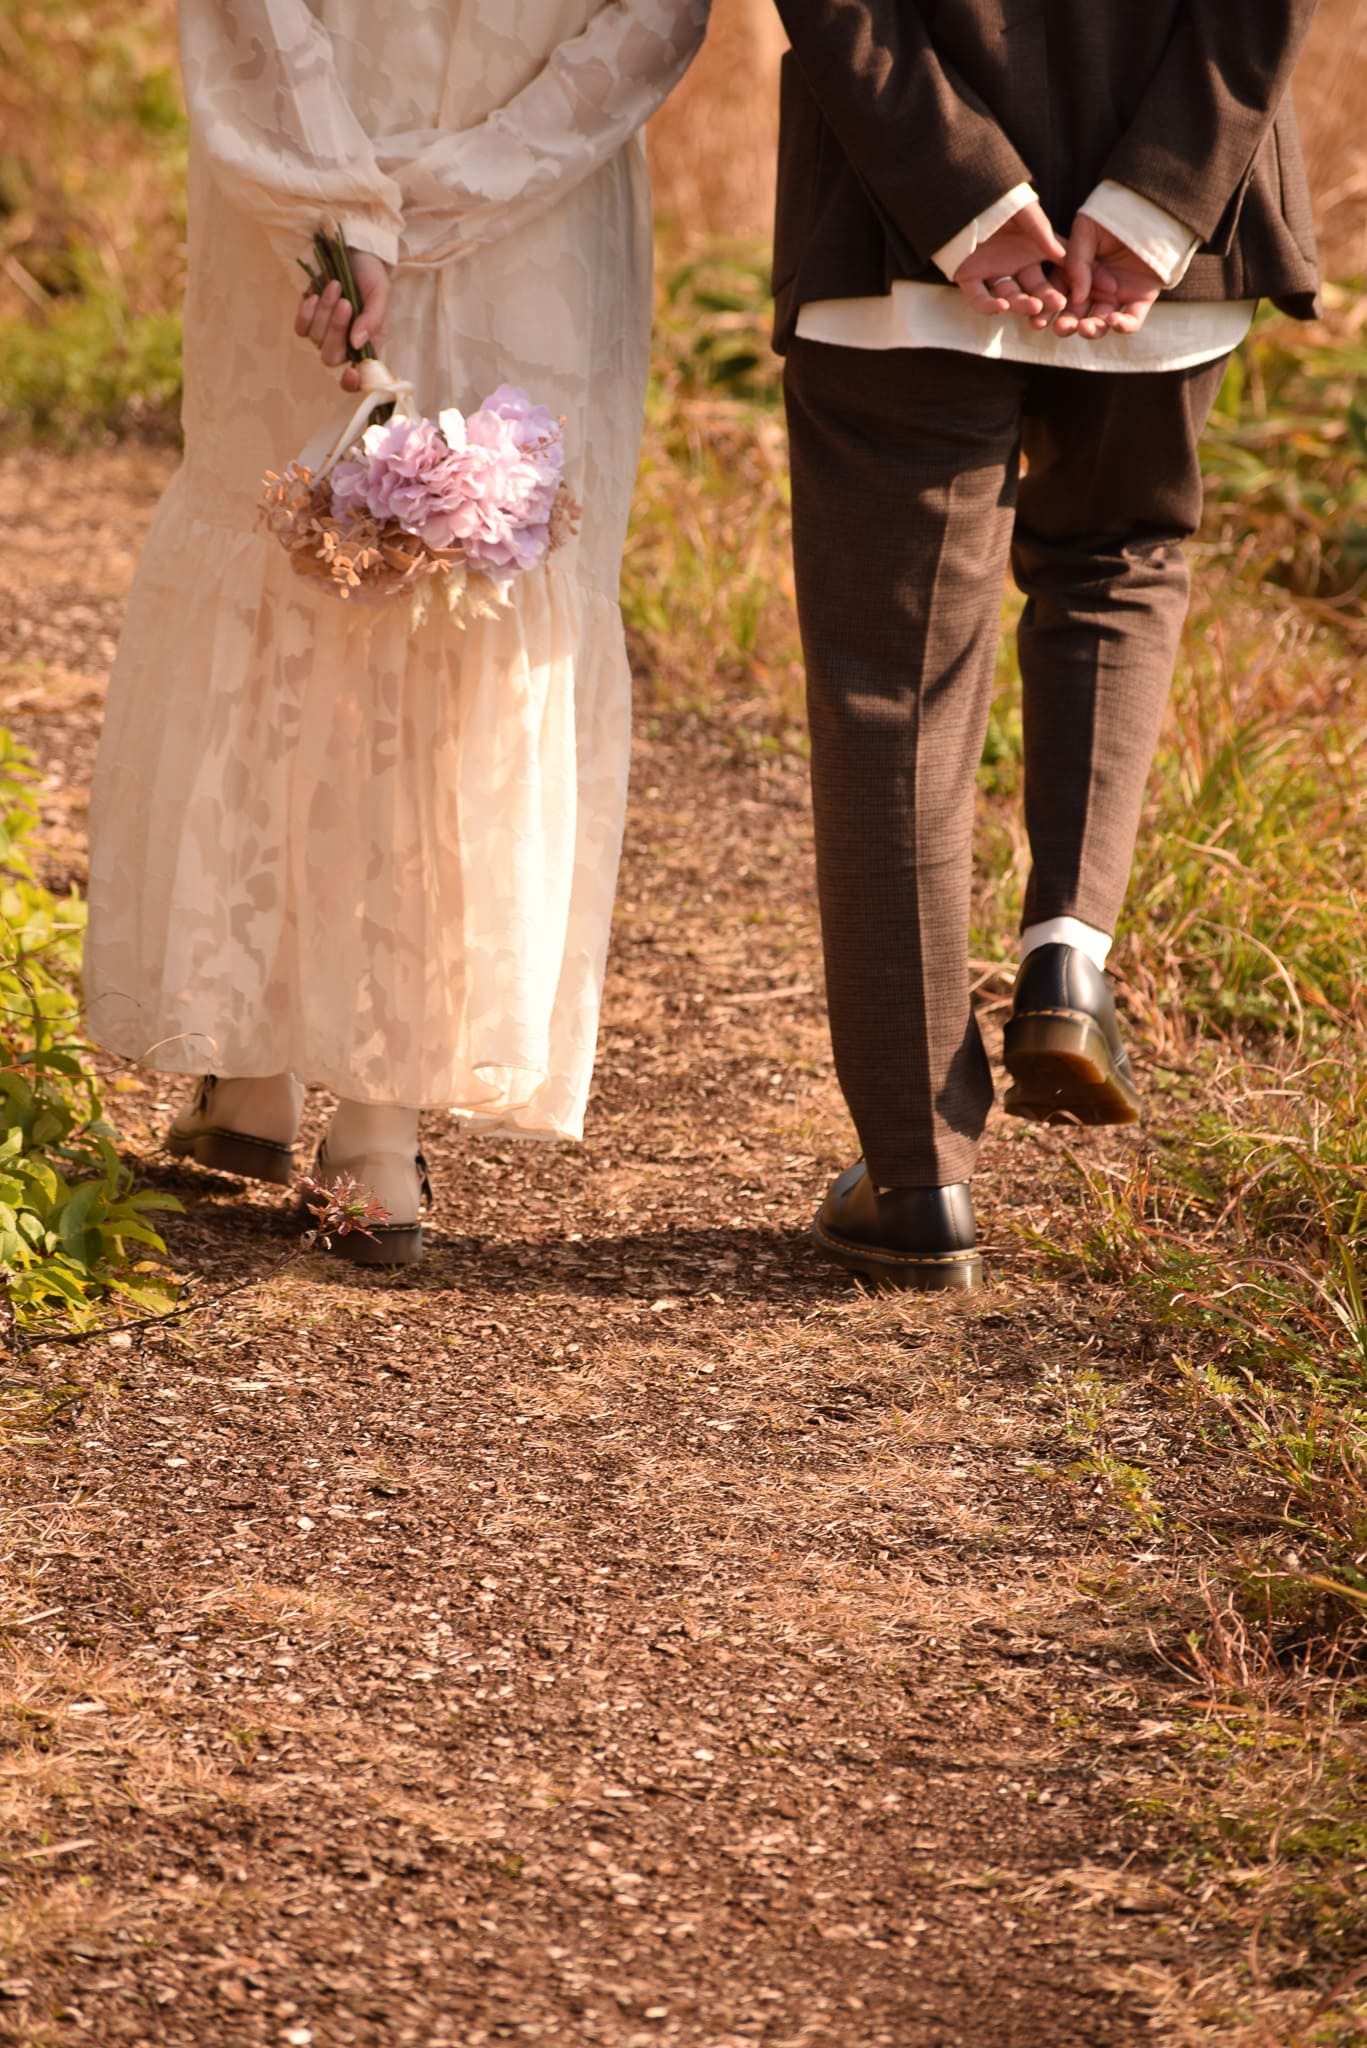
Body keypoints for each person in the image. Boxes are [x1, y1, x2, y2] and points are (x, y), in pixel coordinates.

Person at [84, 0, 709, 1264]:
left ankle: (293, 1073)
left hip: (325, 183)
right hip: (521, 193)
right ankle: (335, 1109)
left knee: (377, 557)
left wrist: (342, 207)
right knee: (389, 559)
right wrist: (439, 187)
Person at [771, 0, 1321, 1291]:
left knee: (889, 688)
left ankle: (916, 1179)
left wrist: (958, 192)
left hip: (892, 227)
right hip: (1169, 234)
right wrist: (1148, 201)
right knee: (1115, 562)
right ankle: (1065, 957)